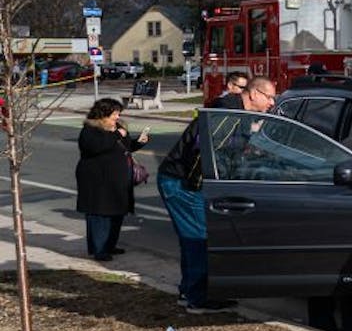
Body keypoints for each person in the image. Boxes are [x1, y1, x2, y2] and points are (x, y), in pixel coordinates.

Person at [157, 75, 277, 313]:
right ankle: (198, 299)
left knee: (193, 240)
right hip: (183, 183)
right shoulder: (226, 111)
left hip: (188, 183)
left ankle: (189, 291)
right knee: (199, 239)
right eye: (270, 97)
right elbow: (209, 148)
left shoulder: (238, 114)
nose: (272, 103)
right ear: (254, 94)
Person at [75, 98, 150, 261]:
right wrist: (116, 134)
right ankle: (99, 249)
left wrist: (139, 142)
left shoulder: (118, 128)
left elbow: (126, 147)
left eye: (118, 113)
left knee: (117, 213)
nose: (117, 117)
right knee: (100, 215)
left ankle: (110, 245)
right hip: (97, 181)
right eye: (114, 114)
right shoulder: (90, 130)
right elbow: (95, 147)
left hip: (118, 180)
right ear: (103, 114)